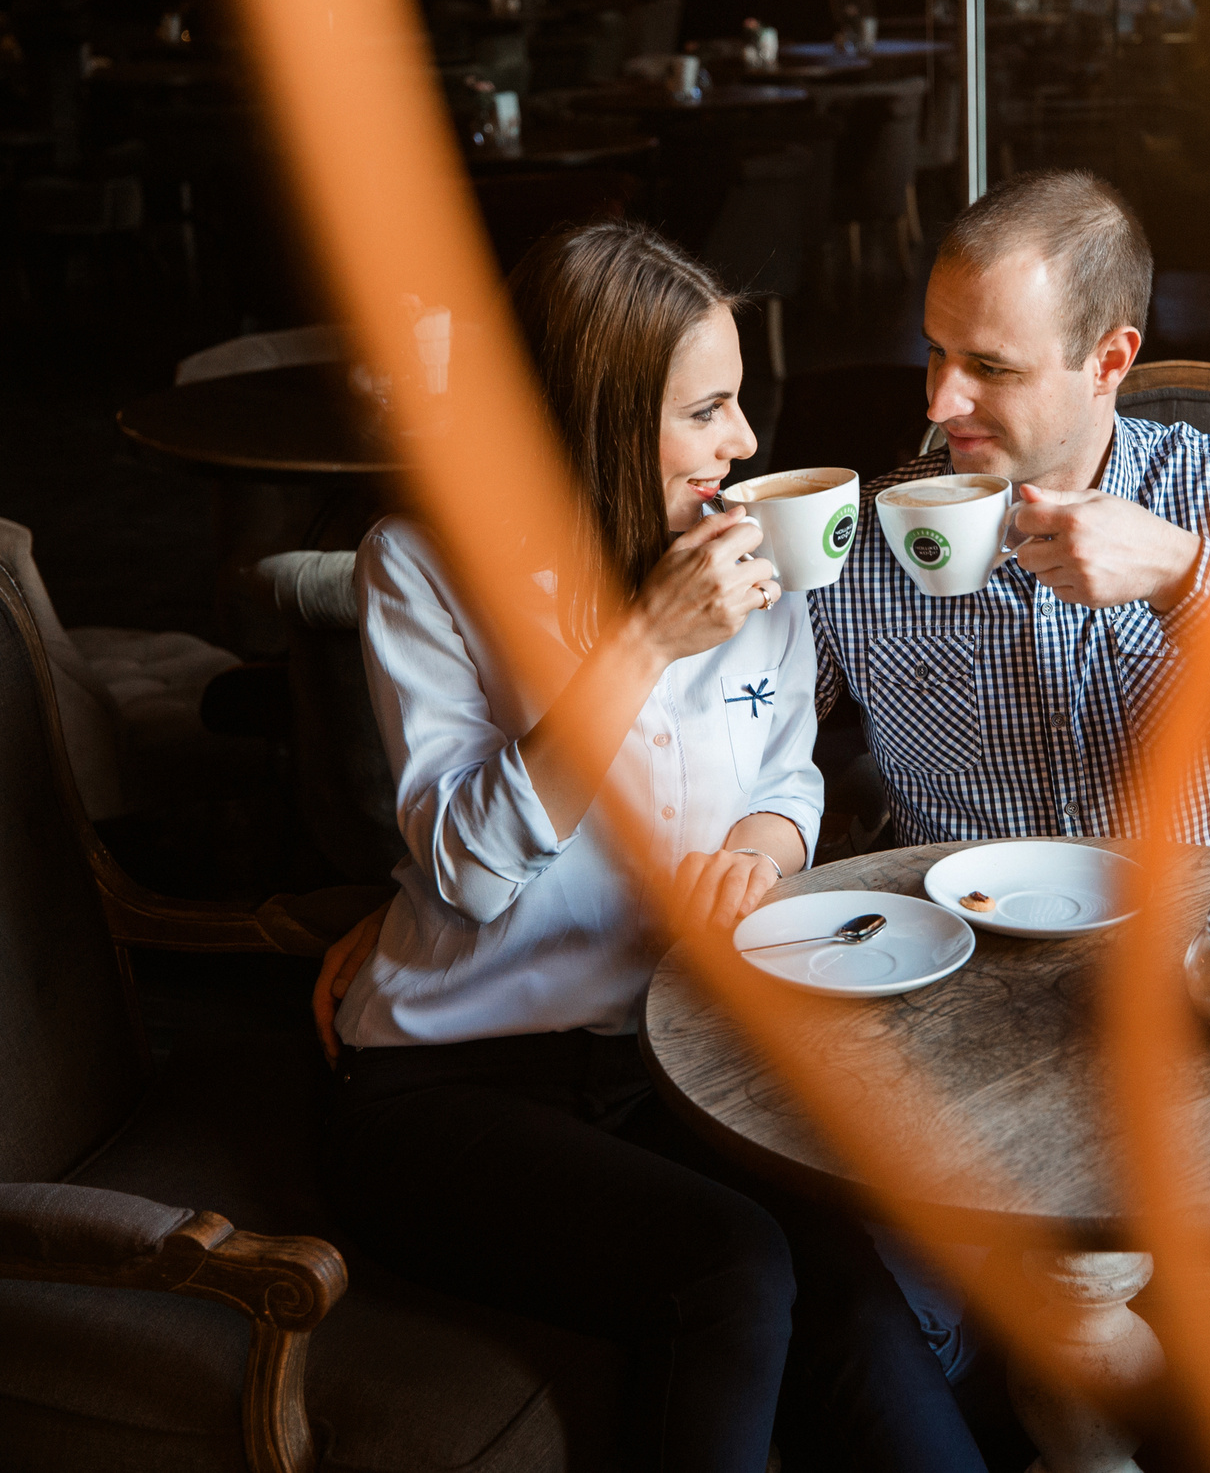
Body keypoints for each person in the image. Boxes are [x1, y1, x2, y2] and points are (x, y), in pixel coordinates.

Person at [319, 221, 984, 1473]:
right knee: (730, 1266)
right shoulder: (422, 570)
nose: (743, 442)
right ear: (598, 419)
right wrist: (642, 643)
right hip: (451, 1086)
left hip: (677, 1065)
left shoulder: (758, 570)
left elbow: (787, 770)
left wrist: (763, 845)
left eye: (739, 405)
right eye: (708, 410)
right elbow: (464, 868)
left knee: (848, 1276)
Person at [805, 168, 1210, 1408]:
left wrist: (1185, 579)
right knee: (878, 1333)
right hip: (965, 1035)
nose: (941, 403)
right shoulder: (873, 540)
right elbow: (724, 737)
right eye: (934, 355)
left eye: (990, 367)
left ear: (1109, 359)